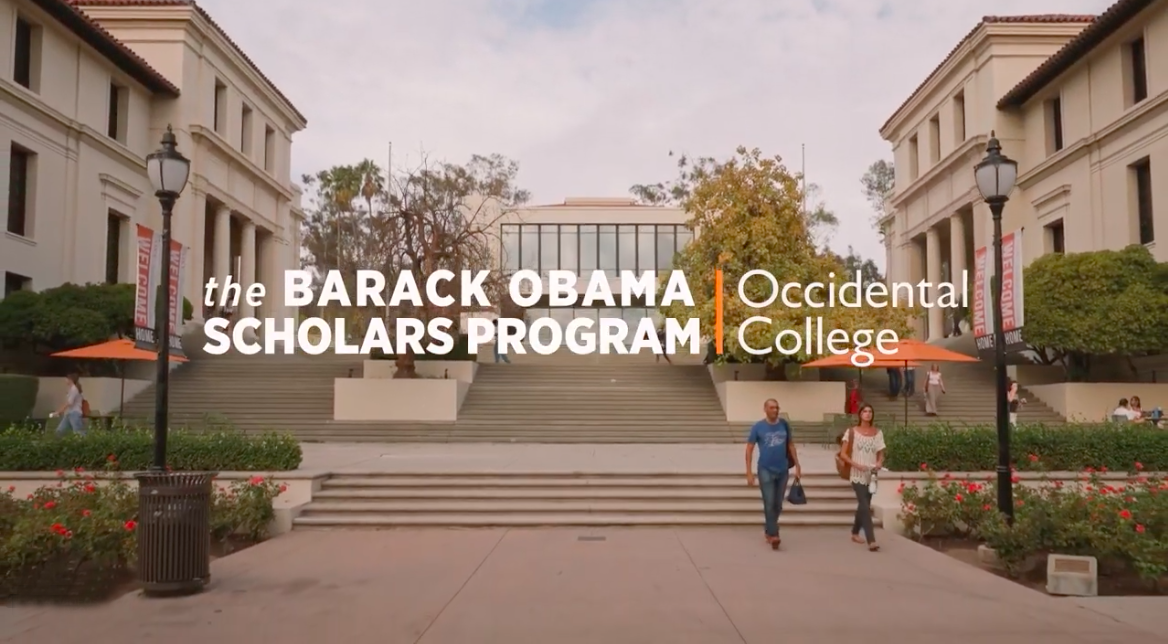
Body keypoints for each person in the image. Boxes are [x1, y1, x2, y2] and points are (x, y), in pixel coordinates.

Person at [745, 399, 801, 550]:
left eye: (776, 408)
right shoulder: (758, 427)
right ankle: (774, 534)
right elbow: (749, 449)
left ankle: (768, 529)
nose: (775, 410)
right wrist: (749, 472)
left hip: (783, 469)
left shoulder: (784, 425)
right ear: (765, 409)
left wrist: (797, 465)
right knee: (769, 502)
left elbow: (790, 444)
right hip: (765, 469)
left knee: (778, 504)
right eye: (771, 408)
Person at [837, 403, 884, 552]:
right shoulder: (852, 432)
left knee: (864, 504)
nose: (868, 414)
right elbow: (843, 454)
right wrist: (856, 465)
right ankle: (872, 540)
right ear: (860, 414)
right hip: (856, 473)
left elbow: (880, 453)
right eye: (865, 411)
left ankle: (855, 532)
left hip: (871, 474)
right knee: (864, 505)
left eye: (870, 411)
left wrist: (879, 463)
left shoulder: (877, 433)